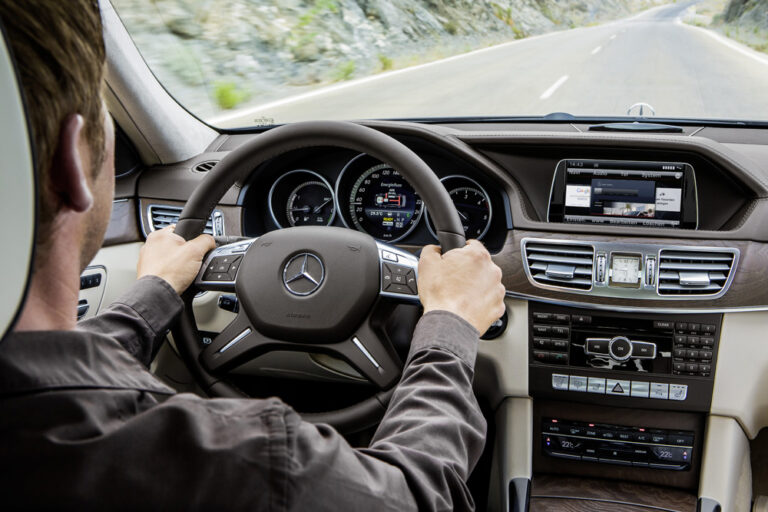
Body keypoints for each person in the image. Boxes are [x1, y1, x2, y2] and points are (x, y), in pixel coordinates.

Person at [0, 1, 506, 510]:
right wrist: (449, 322)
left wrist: (153, 293)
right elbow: (416, 495)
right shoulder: (252, 466)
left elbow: (57, 375)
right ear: (71, 162)